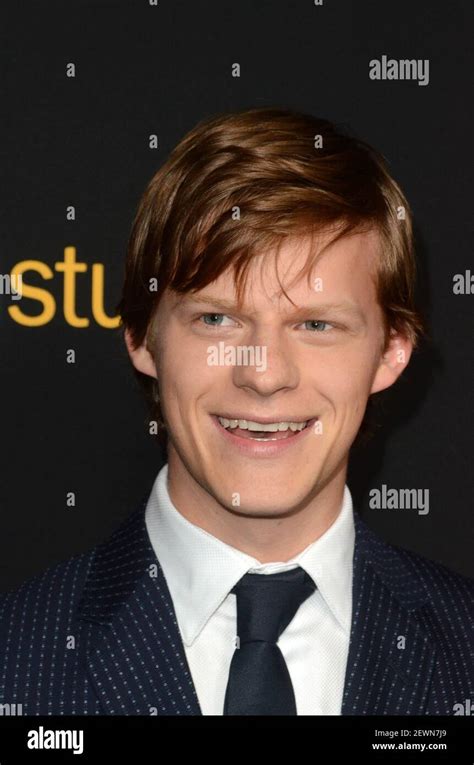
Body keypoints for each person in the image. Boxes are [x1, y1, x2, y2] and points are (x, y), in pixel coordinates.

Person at [1, 108, 472, 716]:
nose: (264, 373)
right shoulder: (16, 659)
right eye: (217, 319)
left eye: (316, 324)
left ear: (391, 352)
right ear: (143, 338)